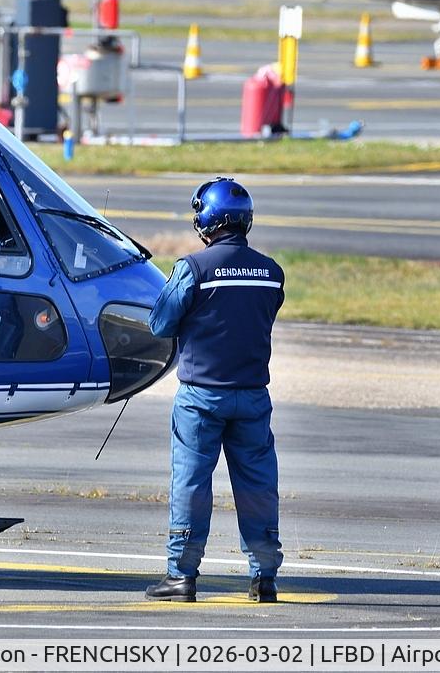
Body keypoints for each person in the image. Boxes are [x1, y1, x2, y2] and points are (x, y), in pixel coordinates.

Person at [146, 177, 285, 603]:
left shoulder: (194, 269)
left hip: (201, 396)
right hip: (252, 395)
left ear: (206, 218)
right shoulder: (272, 272)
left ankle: (181, 574)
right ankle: (264, 577)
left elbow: (161, 323)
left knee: (191, 483)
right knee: (258, 484)